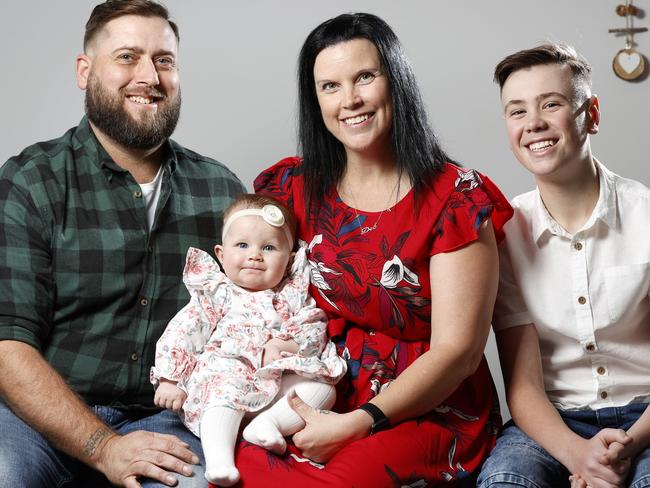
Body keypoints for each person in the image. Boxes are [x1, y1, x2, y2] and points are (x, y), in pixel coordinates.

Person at [221, 13, 513, 487]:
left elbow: (458, 350)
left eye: (364, 77)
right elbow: (253, 285)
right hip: (318, 387)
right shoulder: (292, 189)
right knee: (241, 467)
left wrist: (360, 422)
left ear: (395, 81)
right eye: (330, 86)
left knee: (345, 481)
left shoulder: (454, 198)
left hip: (422, 406)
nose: (350, 100)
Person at [0, 1, 244, 487]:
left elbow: (249, 319)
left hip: (169, 419)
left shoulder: (222, 192)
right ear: (85, 72)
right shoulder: (32, 181)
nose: (149, 76)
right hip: (39, 419)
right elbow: (8, 344)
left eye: (165, 60)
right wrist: (102, 446)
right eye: (127, 57)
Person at [477, 43, 650, 488]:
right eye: (517, 112)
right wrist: (580, 455)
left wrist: (620, 449)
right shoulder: (504, 234)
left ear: (591, 113)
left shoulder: (645, 215)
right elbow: (523, 385)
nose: (533, 123)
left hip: (647, 417)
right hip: (553, 423)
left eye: (551, 104)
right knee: (505, 482)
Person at [151, 194, 346, 486]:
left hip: (276, 382)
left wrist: (286, 346)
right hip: (227, 375)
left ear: (289, 259)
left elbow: (313, 328)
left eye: (269, 247)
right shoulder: (218, 294)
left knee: (322, 388)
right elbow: (184, 331)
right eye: (242, 245)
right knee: (221, 390)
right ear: (220, 253)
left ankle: (268, 424)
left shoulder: (292, 296)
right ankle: (219, 461)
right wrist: (170, 378)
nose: (255, 255)